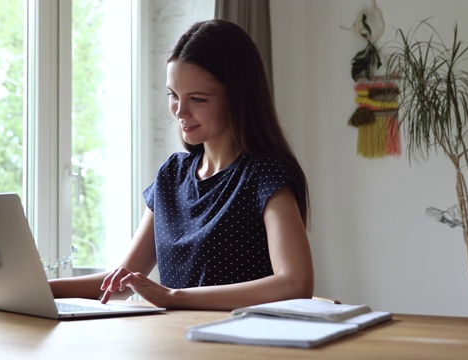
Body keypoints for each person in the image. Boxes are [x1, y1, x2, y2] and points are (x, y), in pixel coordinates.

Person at [49, 19, 313, 311]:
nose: (180, 111)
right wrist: (35, 289)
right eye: (173, 95)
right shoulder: (172, 175)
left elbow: (295, 284)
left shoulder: (266, 174)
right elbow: (119, 284)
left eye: (197, 99)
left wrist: (173, 297)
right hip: (174, 341)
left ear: (238, 98)